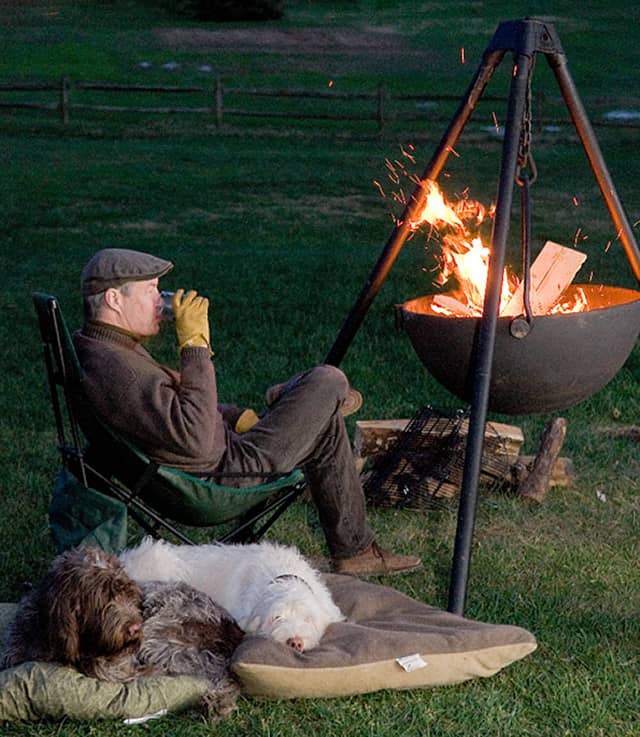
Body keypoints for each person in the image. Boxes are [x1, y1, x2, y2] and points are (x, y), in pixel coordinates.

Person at [74, 248, 422, 577]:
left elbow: (174, 412)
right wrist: (195, 346)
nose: (160, 299)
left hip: (214, 460)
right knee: (329, 381)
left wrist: (236, 415)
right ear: (113, 299)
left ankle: (354, 550)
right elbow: (193, 437)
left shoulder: (104, 351)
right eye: (151, 290)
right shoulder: (121, 372)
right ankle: (296, 396)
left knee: (322, 412)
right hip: (220, 480)